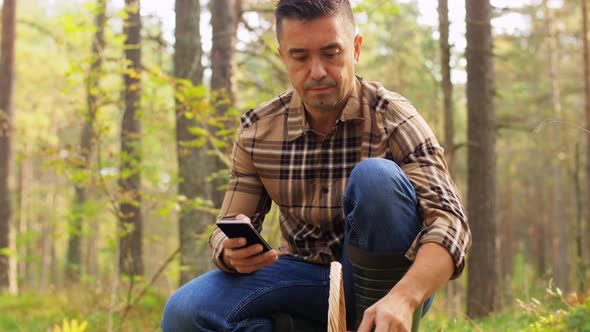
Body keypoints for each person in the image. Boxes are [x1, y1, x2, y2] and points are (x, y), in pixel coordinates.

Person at [161, 0, 471, 331]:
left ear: (355, 48)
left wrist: (405, 298)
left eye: (330, 53)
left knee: (375, 177)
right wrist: (230, 250)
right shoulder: (258, 130)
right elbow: (225, 229)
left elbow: (452, 226)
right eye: (300, 57)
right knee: (185, 311)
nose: (318, 71)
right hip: (301, 275)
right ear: (283, 57)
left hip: (392, 282)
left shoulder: (394, 118)